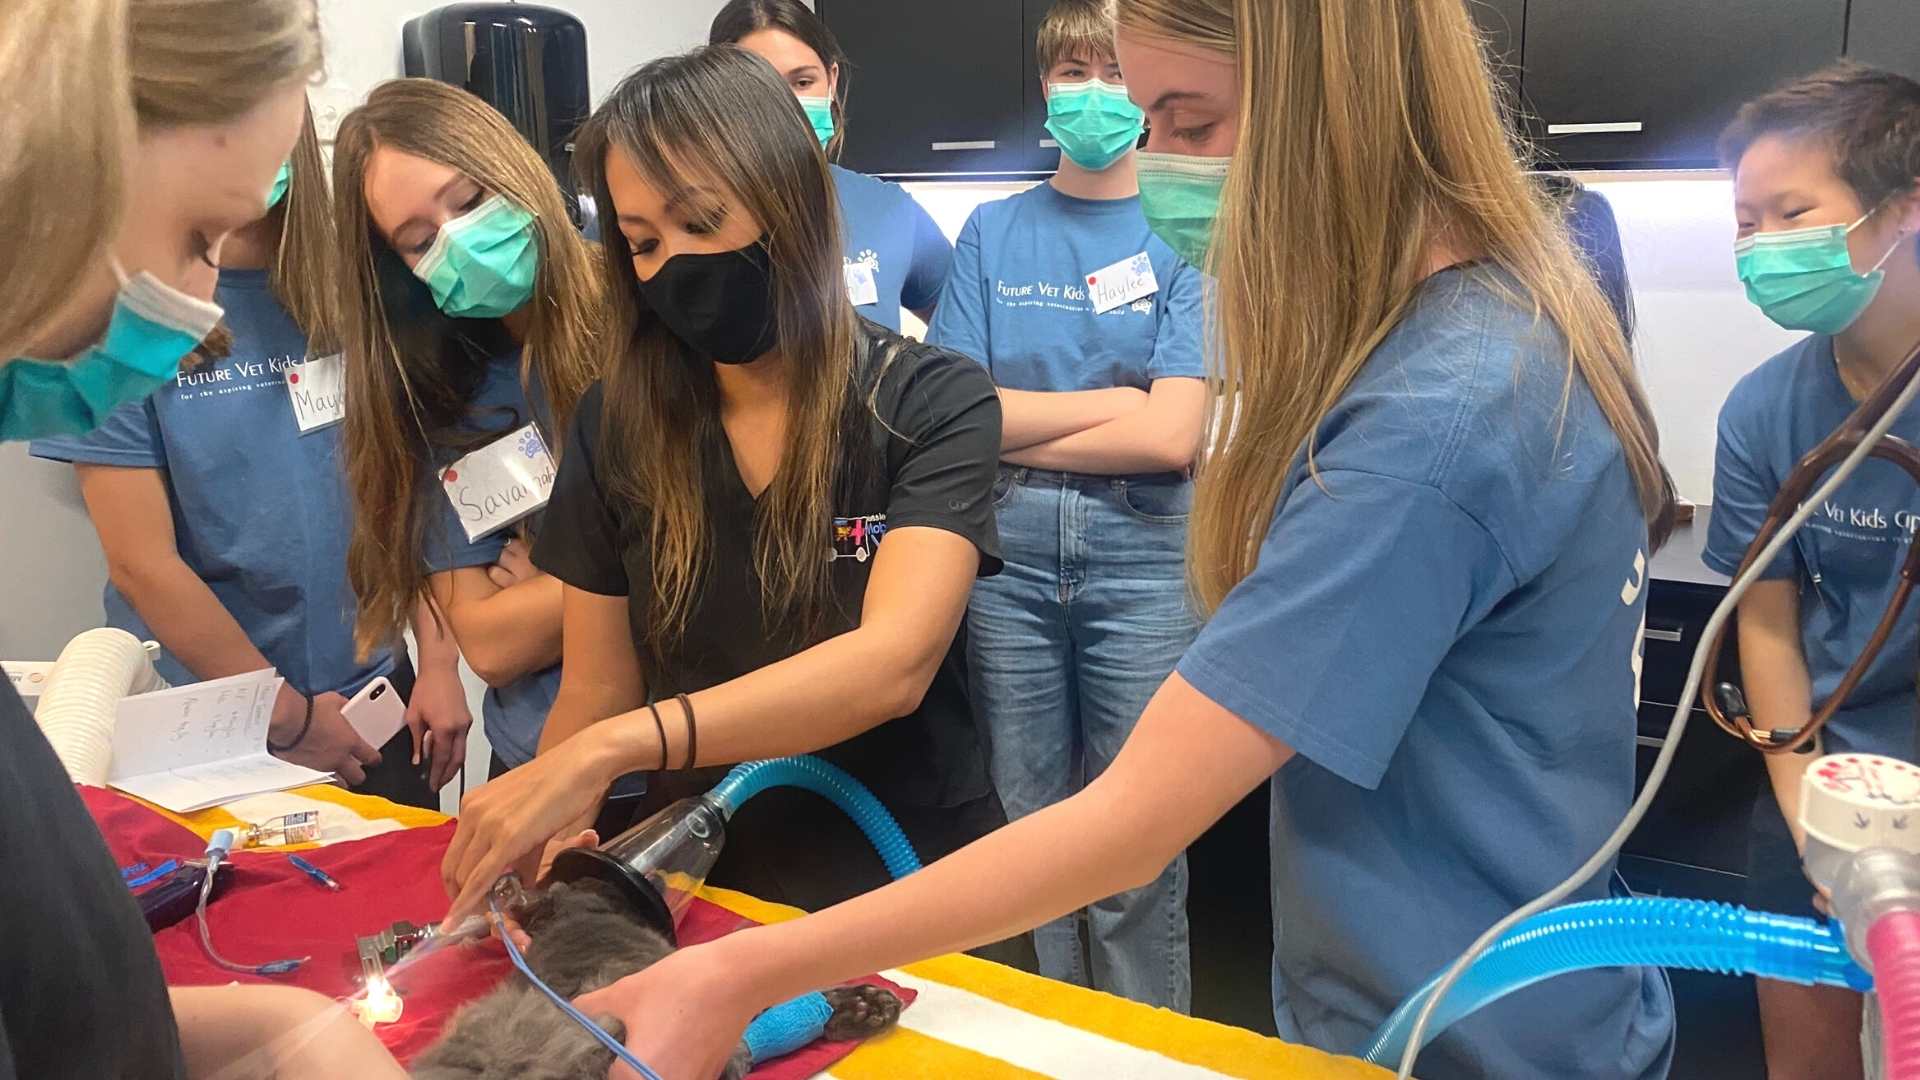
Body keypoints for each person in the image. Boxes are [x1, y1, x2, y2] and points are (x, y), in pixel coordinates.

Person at [562, 2, 1682, 1078]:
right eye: (1149, 124)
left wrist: (739, 974)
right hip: (1434, 1000)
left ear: (1332, 96)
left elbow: (1129, 825)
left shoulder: (1441, 417)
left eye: (1190, 123)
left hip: (1473, 1033)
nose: (1159, 165)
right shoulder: (1476, 343)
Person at [437, 47, 1028, 974]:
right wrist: (555, 815)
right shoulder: (619, 425)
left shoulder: (930, 402)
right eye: (641, 242)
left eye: (701, 220)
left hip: (911, 884)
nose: (674, 265)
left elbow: (892, 666)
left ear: (789, 199)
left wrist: (619, 748)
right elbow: (595, 688)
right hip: (709, 887)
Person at [1, 1, 403, 1077]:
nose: (206, 291)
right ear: (50, 155)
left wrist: (286, 1028)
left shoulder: (344, 306)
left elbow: (62, 1006)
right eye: (194, 237)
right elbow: (144, 560)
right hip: (219, 730)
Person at [29, 104, 470, 810]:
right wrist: (287, 715)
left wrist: (441, 660)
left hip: (378, 703)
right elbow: (142, 563)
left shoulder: (354, 284)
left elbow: (404, 484)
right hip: (212, 721)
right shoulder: (132, 309)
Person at [923, 0, 1206, 1010]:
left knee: (1136, 843)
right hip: (1008, 558)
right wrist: (1117, 403)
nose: (1094, 93)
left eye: (1114, 71)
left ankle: (1145, 1051)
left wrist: (1027, 414)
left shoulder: (1189, 227)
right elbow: (956, 416)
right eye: (1072, 71)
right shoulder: (992, 232)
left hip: (1150, 557)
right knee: (1030, 827)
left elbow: (1175, 437)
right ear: (1043, 87)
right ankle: (1058, 1041)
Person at [1706, 63, 1920, 1080]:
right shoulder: (1764, 412)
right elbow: (1768, 629)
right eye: (1747, 222)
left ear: (1904, 209)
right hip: (1821, 788)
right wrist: (1815, 831)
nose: (1762, 247)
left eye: (1791, 212)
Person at [333, 78, 603, 786]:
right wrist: (633, 567)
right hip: (531, 764)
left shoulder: (644, 317)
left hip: (683, 756)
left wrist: (558, 578)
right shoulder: (452, 397)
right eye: (420, 241)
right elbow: (489, 643)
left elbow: (712, 555)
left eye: (470, 202)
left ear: (512, 169)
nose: (459, 242)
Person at [710, 0, 954, 333]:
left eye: (802, 82)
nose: (786, 106)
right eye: (759, 88)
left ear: (831, 79)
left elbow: (963, 329)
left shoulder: (890, 211)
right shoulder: (690, 218)